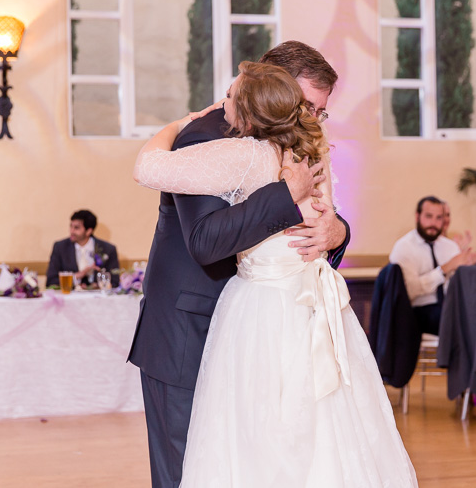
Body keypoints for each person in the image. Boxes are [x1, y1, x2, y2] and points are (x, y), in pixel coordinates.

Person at [134, 61, 418, 486]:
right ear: (275, 92)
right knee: (195, 469)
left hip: (286, 326)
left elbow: (327, 222)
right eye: (304, 105)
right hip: (190, 330)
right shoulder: (208, 136)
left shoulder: (300, 146)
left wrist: (335, 230)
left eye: (318, 112)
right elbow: (206, 240)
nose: (308, 119)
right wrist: (285, 196)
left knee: (288, 458)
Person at [388, 196, 476, 335]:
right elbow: (409, 291)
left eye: (439, 218)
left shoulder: (450, 247)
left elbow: (458, 286)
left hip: (449, 307)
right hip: (416, 311)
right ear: (417, 216)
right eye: (429, 216)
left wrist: (469, 268)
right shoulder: (404, 247)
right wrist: (443, 270)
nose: (434, 223)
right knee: (455, 320)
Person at [46, 209, 119, 288]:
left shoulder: (108, 249)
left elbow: (115, 282)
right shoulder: (60, 247)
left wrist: (96, 286)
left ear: (89, 231)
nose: (71, 231)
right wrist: (77, 276)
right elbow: (51, 281)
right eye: (71, 226)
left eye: (76, 228)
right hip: (69, 297)